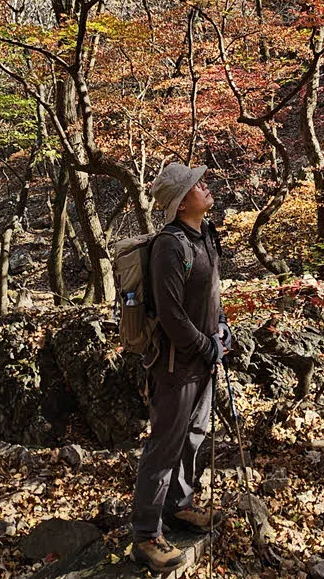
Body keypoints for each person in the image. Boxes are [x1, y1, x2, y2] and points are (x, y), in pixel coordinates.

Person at [130, 161, 234, 573]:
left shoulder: (205, 235)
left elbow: (211, 295)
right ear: (181, 203)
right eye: (196, 184)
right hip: (175, 368)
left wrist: (222, 329)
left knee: (193, 437)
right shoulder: (170, 246)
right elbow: (171, 315)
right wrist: (206, 346)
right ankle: (145, 536)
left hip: (203, 361)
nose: (204, 186)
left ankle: (179, 505)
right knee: (164, 447)